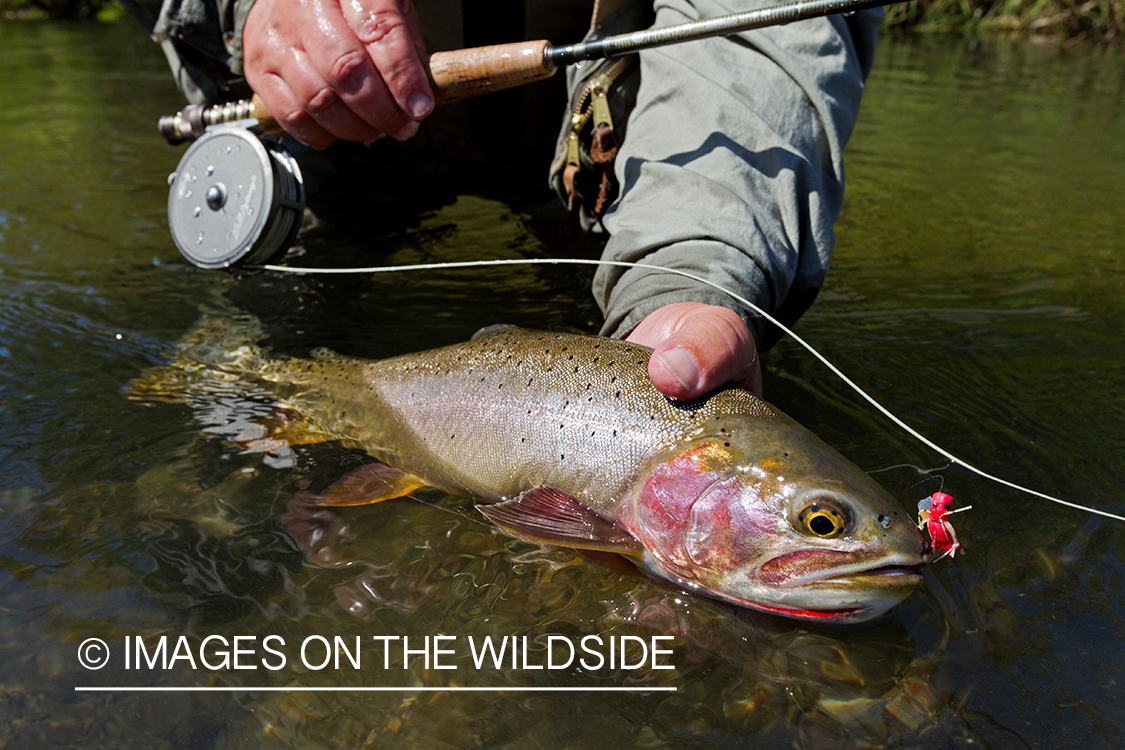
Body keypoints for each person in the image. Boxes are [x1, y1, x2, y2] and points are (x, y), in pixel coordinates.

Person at [122, 0, 882, 403]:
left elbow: (768, 25)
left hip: (615, 140)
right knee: (257, 360)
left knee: (661, 316)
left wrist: (694, 275)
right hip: (323, 127)